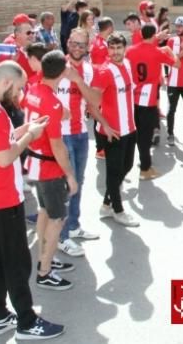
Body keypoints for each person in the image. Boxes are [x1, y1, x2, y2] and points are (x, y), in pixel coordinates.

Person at [0, 61, 64, 340]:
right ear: (7, 82)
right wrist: (31, 136)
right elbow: (5, 156)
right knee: (16, 261)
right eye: (18, 88)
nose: (19, 95)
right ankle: (27, 321)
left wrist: (24, 128)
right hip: (0, 195)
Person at [55, 27, 117, 258]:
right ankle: (61, 237)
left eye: (82, 45)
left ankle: (73, 225)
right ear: (67, 43)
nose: (77, 48)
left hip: (81, 132)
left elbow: (94, 101)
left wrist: (78, 80)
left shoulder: (89, 70)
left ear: (87, 47)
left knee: (78, 181)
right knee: (65, 184)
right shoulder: (55, 64)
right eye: (74, 43)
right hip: (59, 134)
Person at [23, 51, 79, 292]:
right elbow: (57, 144)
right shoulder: (52, 102)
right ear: (62, 71)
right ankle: (44, 271)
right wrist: (69, 175)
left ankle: (44, 257)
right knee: (57, 218)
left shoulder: (35, 89)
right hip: (48, 167)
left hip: (34, 162)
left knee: (44, 212)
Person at [92, 33, 140, 227]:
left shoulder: (127, 64)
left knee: (126, 166)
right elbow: (92, 105)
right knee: (113, 172)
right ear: (107, 49)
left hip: (130, 127)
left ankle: (106, 204)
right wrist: (105, 125)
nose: (115, 52)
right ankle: (118, 211)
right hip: (113, 131)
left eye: (119, 47)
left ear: (124, 48)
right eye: (111, 48)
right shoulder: (104, 72)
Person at [126, 24, 176, 179]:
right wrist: (168, 50)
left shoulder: (130, 50)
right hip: (148, 99)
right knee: (145, 136)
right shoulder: (157, 52)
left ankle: (139, 163)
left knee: (136, 132)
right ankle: (145, 168)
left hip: (133, 96)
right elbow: (178, 64)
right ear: (154, 35)